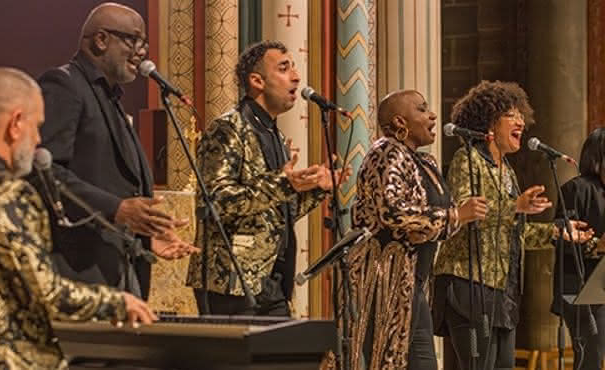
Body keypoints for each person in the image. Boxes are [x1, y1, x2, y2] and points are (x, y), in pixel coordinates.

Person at [0, 67, 157, 369]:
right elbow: (45, 292)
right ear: (15, 123)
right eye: (36, 126)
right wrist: (118, 302)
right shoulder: (5, 193)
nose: (39, 138)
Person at [35, 3, 196, 300]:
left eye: (144, 43)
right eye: (133, 40)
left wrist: (145, 236)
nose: (142, 52)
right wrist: (117, 209)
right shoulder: (64, 84)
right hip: (79, 269)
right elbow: (44, 172)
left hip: (118, 266)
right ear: (101, 40)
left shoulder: (109, 97)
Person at [432, 80, 593, 370]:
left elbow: (514, 231)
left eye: (521, 115)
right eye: (511, 114)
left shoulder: (506, 171)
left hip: (501, 290)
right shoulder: (467, 160)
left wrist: (558, 232)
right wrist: (515, 206)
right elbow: (469, 213)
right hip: (470, 283)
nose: (521, 121)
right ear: (488, 123)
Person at [186, 40, 349, 317]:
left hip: (272, 282)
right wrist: (285, 184)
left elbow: (273, 213)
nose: (296, 77)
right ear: (257, 81)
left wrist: (315, 191)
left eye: (294, 68)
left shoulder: (274, 134)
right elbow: (216, 201)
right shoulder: (228, 128)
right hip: (232, 282)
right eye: (284, 68)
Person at [346, 90, 487, 369]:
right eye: (422, 110)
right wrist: (455, 215)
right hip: (386, 283)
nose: (433, 115)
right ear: (400, 122)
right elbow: (393, 212)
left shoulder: (426, 163)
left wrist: (459, 215)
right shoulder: (386, 152)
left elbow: (433, 220)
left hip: (415, 287)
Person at [552, 128, 605, 370]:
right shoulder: (576, 189)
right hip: (581, 290)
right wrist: (596, 245)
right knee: (590, 358)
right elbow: (559, 239)